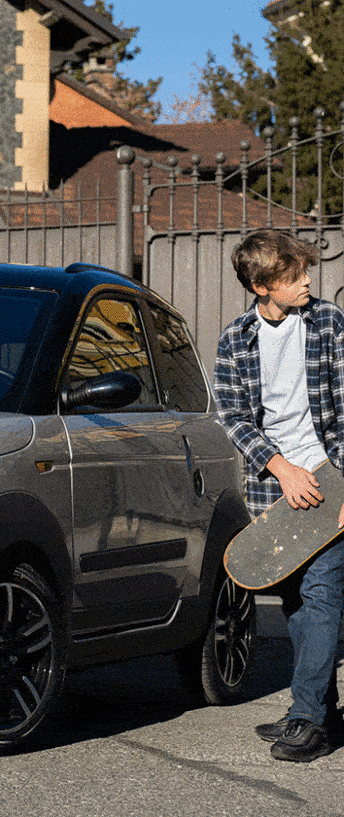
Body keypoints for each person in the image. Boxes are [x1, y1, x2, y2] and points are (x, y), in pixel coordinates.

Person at [214, 229, 344, 763]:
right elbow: (233, 418)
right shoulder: (235, 340)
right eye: (295, 276)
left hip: (330, 475)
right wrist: (281, 468)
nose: (309, 280)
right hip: (275, 487)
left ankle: (307, 717)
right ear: (263, 285)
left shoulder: (329, 324)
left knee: (322, 592)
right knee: (293, 599)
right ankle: (322, 711)